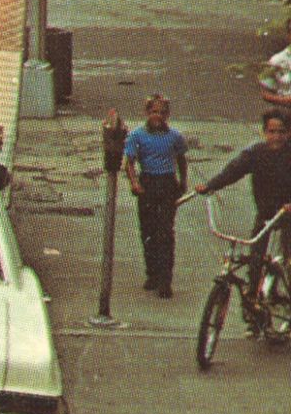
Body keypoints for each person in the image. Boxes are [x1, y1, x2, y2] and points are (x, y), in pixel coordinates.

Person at [193, 107, 291, 318]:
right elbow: (233, 171)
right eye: (271, 131)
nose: (276, 137)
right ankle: (253, 303)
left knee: (289, 261)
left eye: (281, 132)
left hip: (288, 215)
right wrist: (210, 186)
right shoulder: (256, 153)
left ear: (288, 133)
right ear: (264, 132)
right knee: (255, 259)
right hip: (266, 215)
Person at [124, 94, 188, 297]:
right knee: (148, 231)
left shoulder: (175, 136)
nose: (157, 116)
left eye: (162, 112)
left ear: (167, 115)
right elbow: (129, 163)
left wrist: (182, 182)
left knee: (166, 232)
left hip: (167, 183)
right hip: (148, 183)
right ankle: (152, 273)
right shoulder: (137, 136)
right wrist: (135, 183)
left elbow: (181, 159)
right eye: (154, 112)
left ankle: (165, 279)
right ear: (147, 113)